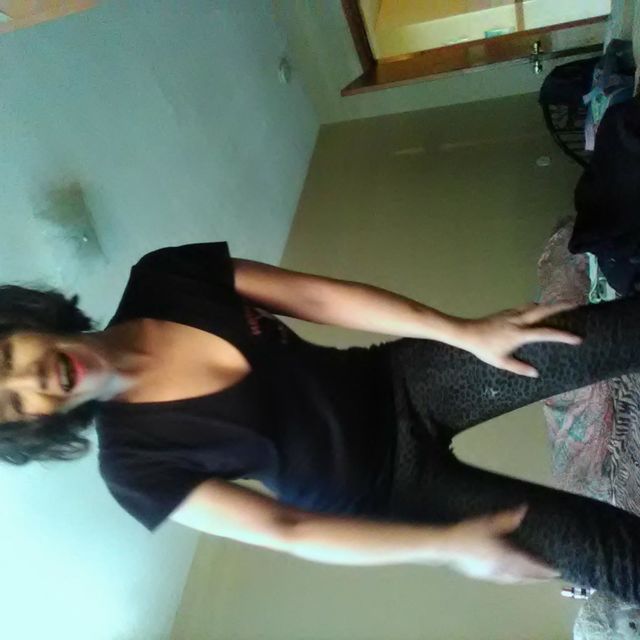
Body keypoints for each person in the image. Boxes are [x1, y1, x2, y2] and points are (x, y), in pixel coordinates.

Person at [1, 242, 640, 599]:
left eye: (7, 359)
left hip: (399, 380)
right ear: (33, 425)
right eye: (13, 404)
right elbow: (288, 529)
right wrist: (448, 547)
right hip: (392, 492)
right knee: (614, 559)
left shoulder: (164, 277)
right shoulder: (131, 468)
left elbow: (315, 297)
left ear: (23, 323)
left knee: (591, 335)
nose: (32, 381)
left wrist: (464, 331)